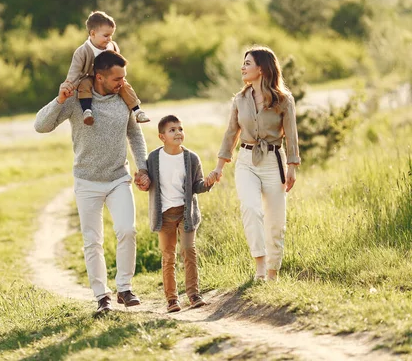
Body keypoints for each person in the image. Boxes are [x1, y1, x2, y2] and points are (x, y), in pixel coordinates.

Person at [35, 50, 150, 315]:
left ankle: (124, 287)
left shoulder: (123, 98)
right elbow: (41, 126)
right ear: (99, 77)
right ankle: (102, 297)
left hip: (118, 177)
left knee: (127, 230)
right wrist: (59, 99)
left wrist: (142, 168)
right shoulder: (77, 100)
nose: (122, 82)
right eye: (116, 78)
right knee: (92, 241)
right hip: (87, 181)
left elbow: (135, 135)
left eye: (124, 77)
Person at [205, 46, 300, 282]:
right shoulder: (240, 99)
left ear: (261, 68)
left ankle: (272, 273)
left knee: (276, 221)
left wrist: (292, 166)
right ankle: (259, 265)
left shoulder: (283, 100)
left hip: (273, 161)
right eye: (243, 63)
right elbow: (231, 133)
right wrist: (219, 166)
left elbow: (291, 135)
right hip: (246, 161)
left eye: (247, 63)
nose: (243, 67)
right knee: (251, 208)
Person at [145, 115, 213, 313]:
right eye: (172, 130)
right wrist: (141, 180)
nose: (178, 133)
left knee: (188, 251)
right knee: (168, 256)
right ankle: (172, 299)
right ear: (162, 136)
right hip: (164, 214)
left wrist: (207, 183)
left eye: (180, 129)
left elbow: (196, 186)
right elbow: (148, 182)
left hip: (186, 212)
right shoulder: (154, 158)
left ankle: (193, 294)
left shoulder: (191, 158)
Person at [59, 10, 150, 126]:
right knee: (84, 85)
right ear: (92, 34)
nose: (109, 39)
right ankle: (87, 111)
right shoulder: (82, 51)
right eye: (106, 35)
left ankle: (137, 111)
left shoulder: (112, 46)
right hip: (90, 77)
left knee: (124, 85)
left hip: (109, 77)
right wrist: (69, 84)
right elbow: (74, 71)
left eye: (111, 35)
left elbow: (118, 62)